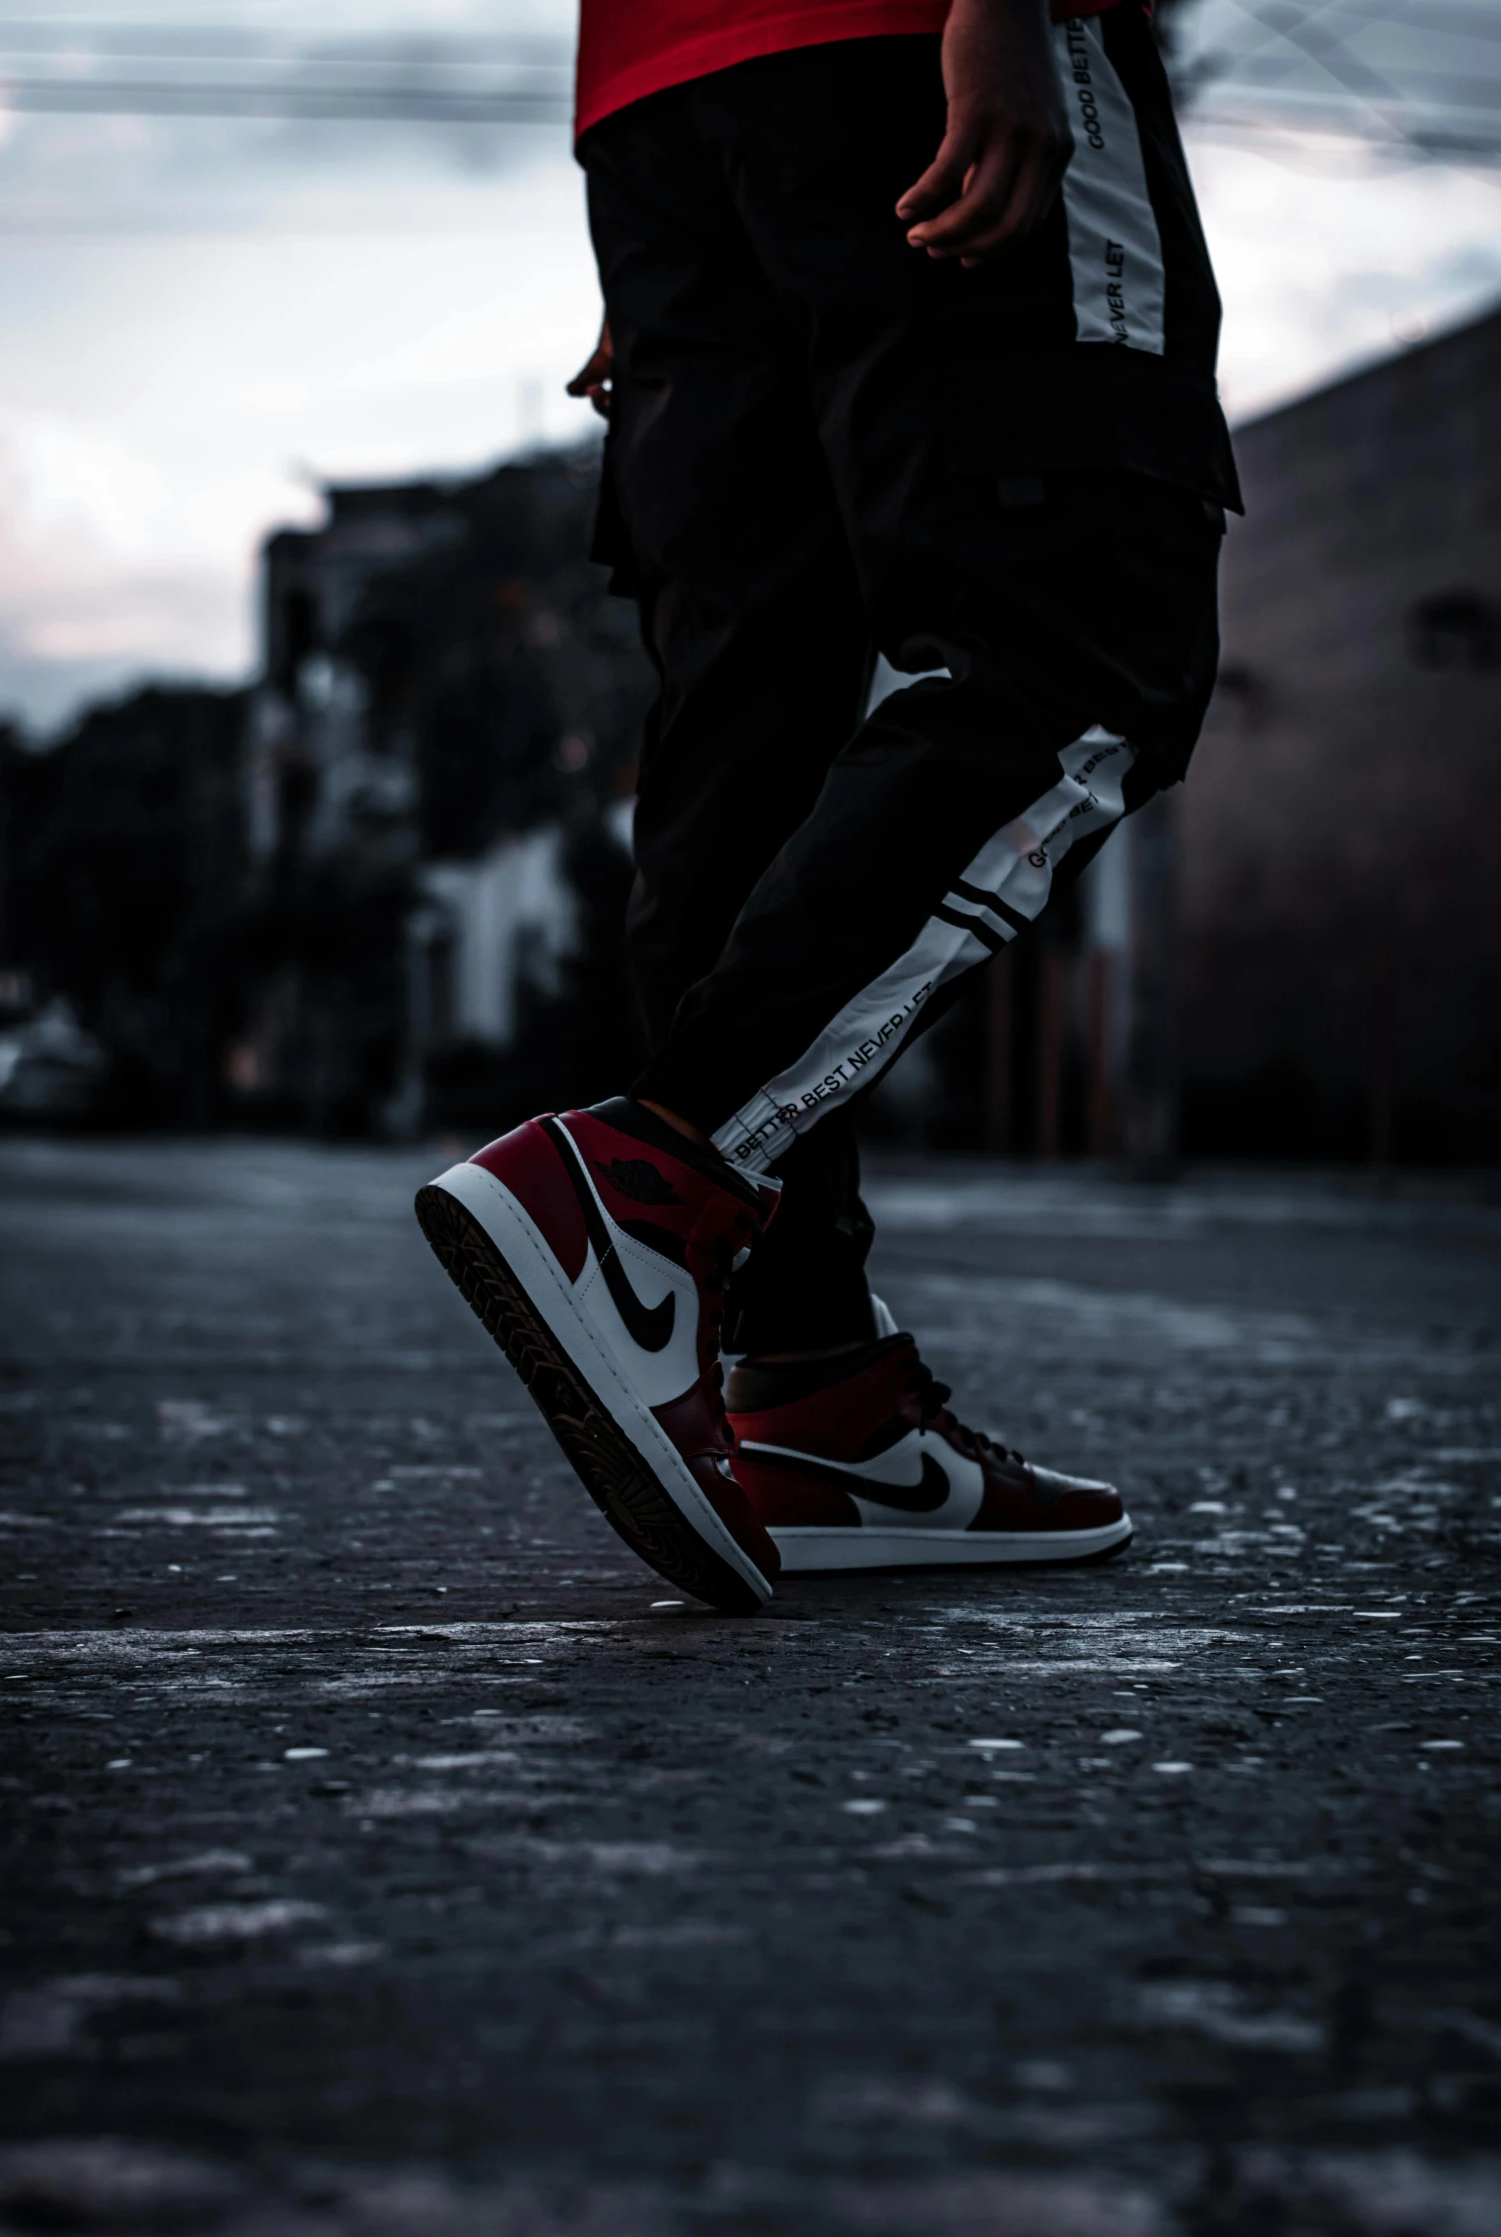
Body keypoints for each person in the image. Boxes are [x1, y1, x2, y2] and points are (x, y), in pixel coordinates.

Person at [416, 0, 1237, 1614]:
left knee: (747, 730)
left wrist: (682, 201)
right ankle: (656, 1181)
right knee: (1086, 648)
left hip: (666, 102)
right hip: (907, 34)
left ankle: (811, 1396)